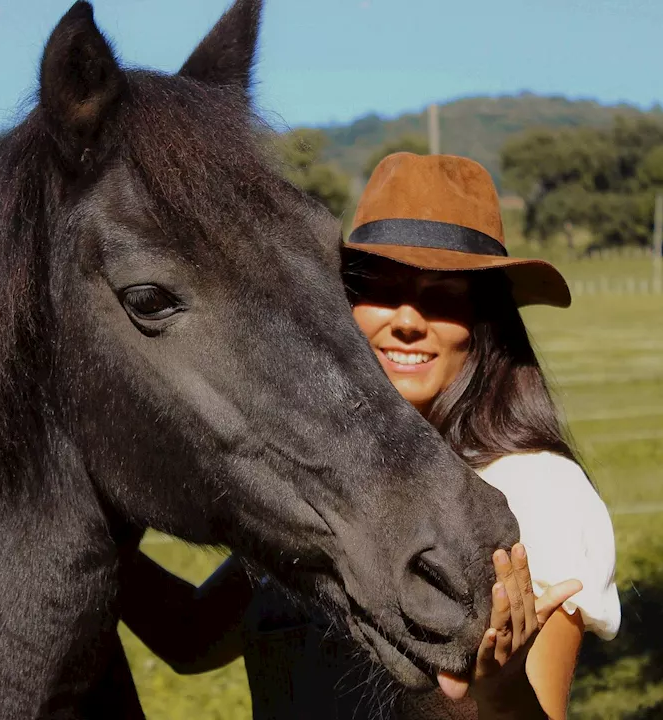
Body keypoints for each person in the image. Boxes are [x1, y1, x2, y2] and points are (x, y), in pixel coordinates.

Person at [119, 152, 620, 719]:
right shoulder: (321, 477)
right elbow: (193, 635)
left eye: (445, 295)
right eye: (380, 288)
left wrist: (501, 694)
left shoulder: (538, 492)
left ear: (485, 325)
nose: (407, 319)